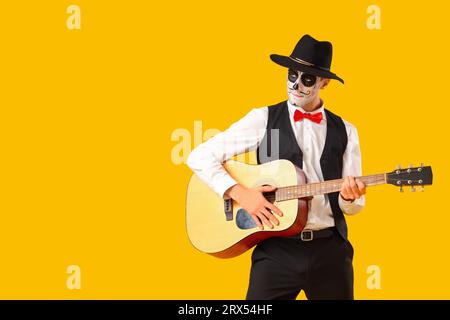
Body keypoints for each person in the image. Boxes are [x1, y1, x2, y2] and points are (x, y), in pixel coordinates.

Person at [186, 34, 366, 300]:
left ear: (324, 82)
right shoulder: (263, 119)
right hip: (276, 250)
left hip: (331, 251)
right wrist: (240, 193)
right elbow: (199, 156)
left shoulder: (347, 131)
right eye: (292, 74)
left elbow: (353, 207)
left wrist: (349, 198)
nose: (296, 84)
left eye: (307, 79)